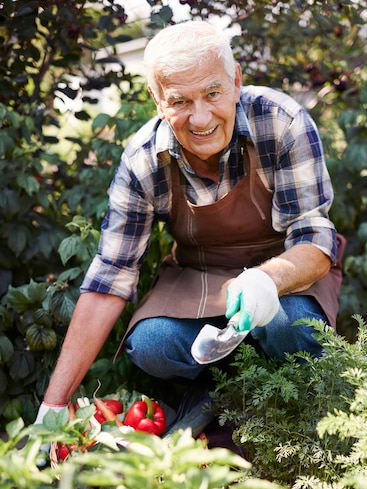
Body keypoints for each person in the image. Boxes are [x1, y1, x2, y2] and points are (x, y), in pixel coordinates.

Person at [35, 21, 344, 437]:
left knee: (287, 328)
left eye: (213, 93)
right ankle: (229, 386)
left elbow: (313, 239)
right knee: (152, 344)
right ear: (157, 99)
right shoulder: (144, 160)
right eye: (180, 100)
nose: (201, 118)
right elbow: (110, 276)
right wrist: (53, 404)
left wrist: (266, 280)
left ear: (236, 81)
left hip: (288, 279)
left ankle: (265, 396)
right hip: (201, 278)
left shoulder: (280, 122)